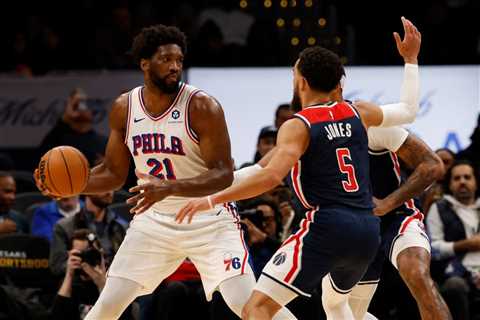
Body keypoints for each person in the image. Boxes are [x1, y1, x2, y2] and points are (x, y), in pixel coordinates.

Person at [35, 24, 295, 320]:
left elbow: (223, 174)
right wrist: (71, 186)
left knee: (246, 305)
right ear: (144, 63)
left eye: (179, 61)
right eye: (166, 60)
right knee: (107, 306)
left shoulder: (202, 106)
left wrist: (169, 188)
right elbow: (113, 173)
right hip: (154, 222)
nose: (175, 67)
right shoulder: (124, 107)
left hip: (208, 220)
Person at [177, 16, 422, 319]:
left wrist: (212, 198)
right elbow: (409, 111)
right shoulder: (359, 112)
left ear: (302, 80)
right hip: (367, 231)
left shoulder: (298, 125)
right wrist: (410, 60)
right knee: (336, 307)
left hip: (326, 227)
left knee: (256, 309)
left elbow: (269, 175)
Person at [347, 127, 451, 320]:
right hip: (355, 226)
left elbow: (432, 165)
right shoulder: (313, 138)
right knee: (347, 310)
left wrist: (387, 203)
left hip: (397, 215)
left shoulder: (371, 127)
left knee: (417, 273)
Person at [426, 160, 480, 320]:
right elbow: (433, 248)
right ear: (449, 184)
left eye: (467, 177)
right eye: (457, 178)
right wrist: (465, 245)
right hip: (458, 273)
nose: (462, 181)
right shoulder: (439, 208)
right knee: (454, 286)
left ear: (476, 182)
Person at [49, 192, 127, 276]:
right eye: (103, 186)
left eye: (112, 186)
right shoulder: (64, 227)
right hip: (79, 285)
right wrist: (73, 265)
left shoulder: (122, 227)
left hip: (113, 284)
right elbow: (56, 267)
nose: (109, 192)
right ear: (88, 189)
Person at [38, 88, 107, 166]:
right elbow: (42, 160)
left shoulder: (103, 142)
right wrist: (66, 117)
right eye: (75, 105)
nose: (81, 108)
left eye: (84, 103)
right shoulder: (58, 139)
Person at [51, 229, 109, 320]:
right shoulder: (70, 287)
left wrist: (102, 284)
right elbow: (57, 317)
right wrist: (69, 274)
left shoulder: (114, 282)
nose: (86, 258)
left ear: (101, 254)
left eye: (90, 253)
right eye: (80, 254)